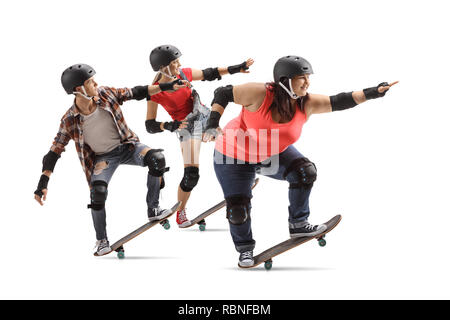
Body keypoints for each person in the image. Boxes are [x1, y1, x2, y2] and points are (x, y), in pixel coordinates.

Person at [203, 55, 398, 267]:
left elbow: (339, 100)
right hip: (232, 156)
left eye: (308, 77)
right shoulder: (259, 93)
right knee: (238, 210)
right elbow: (222, 93)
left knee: (305, 172)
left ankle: (298, 223)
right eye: (302, 78)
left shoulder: (307, 103)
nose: (307, 82)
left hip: (270, 154)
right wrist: (213, 122)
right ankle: (245, 250)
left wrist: (372, 93)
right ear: (285, 80)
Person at [33, 63, 187, 255]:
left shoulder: (106, 93)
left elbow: (136, 92)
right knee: (97, 193)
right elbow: (54, 151)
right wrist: (43, 182)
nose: (96, 84)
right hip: (103, 158)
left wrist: (166, 86)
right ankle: (101, 240)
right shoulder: (69, 120)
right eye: (90, 82)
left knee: (157, 159)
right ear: (78, 89)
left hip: (128, 147)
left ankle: (153, 209)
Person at [145, 44, 254, 227]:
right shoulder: (155, 91)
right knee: (191, 176)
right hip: (187, 128)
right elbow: (150, 125)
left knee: (240, 141)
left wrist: (237, 68)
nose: (179, 64)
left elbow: (209, 73)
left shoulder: (183, 73)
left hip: (203, 116)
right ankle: (181, 213)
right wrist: (170, 125)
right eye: (174, 62)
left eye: (178, 60)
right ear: (163, 67)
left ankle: (245, 178)